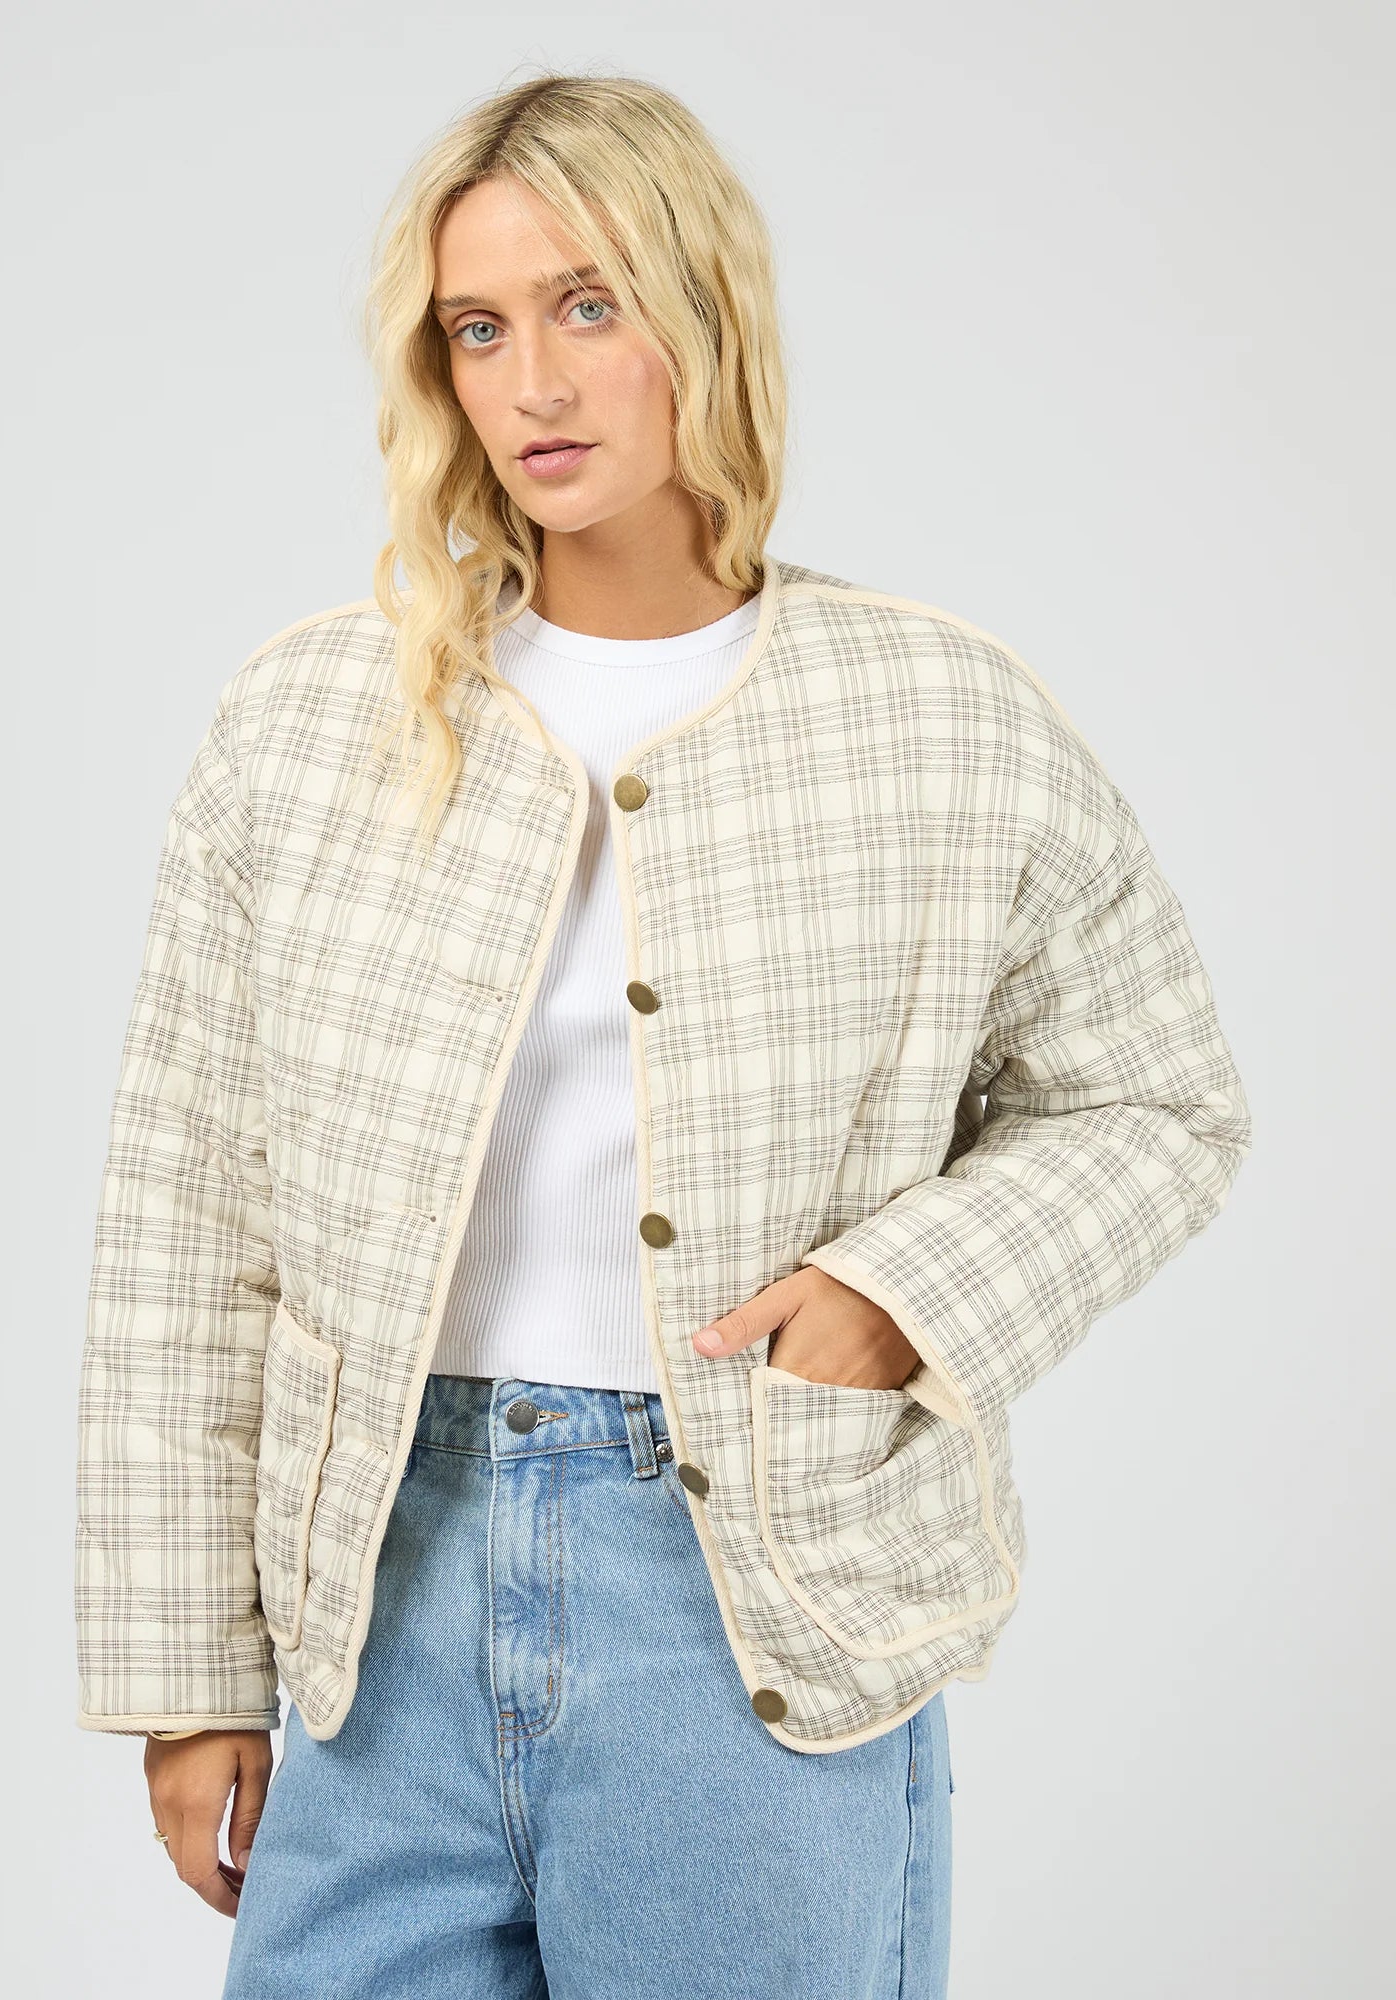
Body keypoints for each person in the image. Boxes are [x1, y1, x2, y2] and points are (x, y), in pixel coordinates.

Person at [73, 72, 1252, 2000]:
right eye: (478, 328)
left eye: (589, 304)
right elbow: (188, 1214)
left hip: (754, 1610)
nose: (533, 381)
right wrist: (186, 1672)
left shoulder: (937, 719)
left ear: (704, 312)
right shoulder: (308, 724)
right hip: (377, 1598)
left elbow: (1153, 1099)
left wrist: (905, 1295)